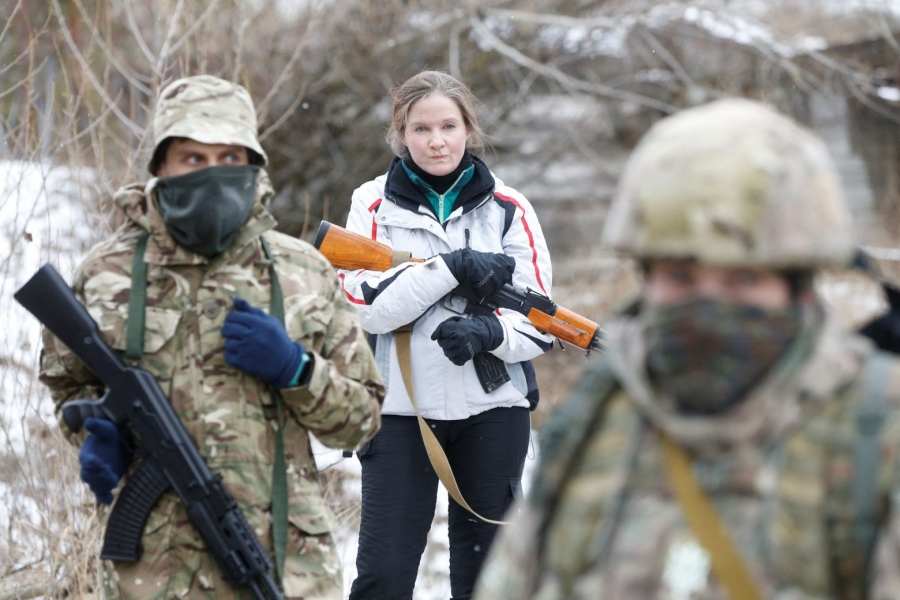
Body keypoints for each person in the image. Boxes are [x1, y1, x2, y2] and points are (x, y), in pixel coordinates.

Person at [473, 98, 900, 599]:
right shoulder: (599, 417)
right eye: (680, 277)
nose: (709, 308)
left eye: (744, 280)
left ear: (799, 285)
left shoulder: (876, 432)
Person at [38, 75, 384, 599]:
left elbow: (361, 421)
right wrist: (96, 435)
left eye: (229, 157)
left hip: (286, 570)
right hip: (151, 576)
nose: (213, 173)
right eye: (194, 158)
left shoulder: (302, 272)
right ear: (161, 166)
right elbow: (69, 386)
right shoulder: (106, 273)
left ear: (253, 165)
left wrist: (295, 369)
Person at [338, 70, 554, 599]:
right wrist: (448, 269)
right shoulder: (371, 204)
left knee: (488, 583)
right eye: (421, 129)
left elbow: (541, 322)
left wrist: (488, 332)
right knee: (383, 578)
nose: (436, 141)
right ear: (400, 135)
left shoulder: (510, 208)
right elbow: (364, 307)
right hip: (399, 414)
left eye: (448, 127)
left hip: (493, 411)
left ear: (468, 129)